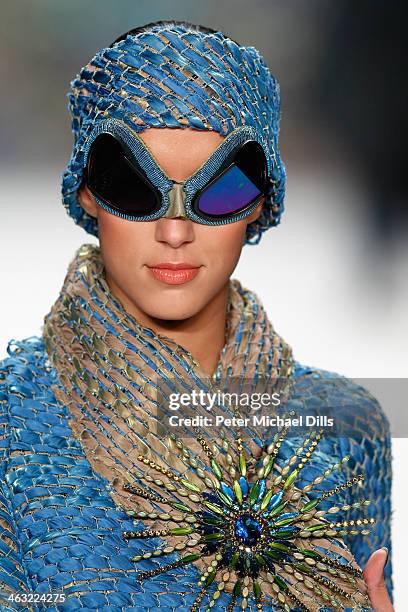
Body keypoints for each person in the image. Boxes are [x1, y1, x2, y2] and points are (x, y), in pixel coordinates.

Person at [0, 20, 393, 611]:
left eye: (220, 191)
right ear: (86, 192)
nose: (176, 231)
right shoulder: (12, 423)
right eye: (133, 186)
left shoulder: (346, 428)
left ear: (260, 202)